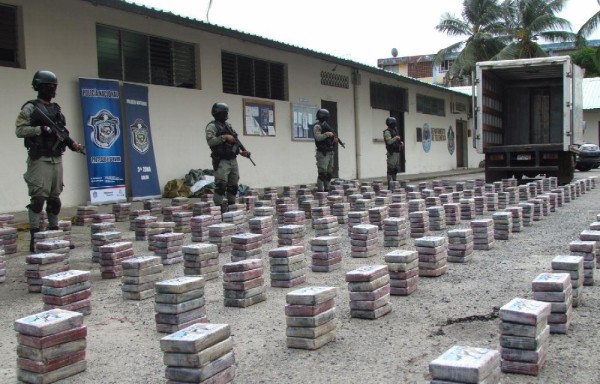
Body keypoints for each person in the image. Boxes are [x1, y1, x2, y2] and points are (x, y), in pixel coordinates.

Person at [15, 70, 84, 252]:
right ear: (38, 87)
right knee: (38, 200)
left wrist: (73, 144)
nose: (51, 90)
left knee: (55, 200)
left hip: (56, 159)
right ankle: (35, 240)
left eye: (53, 87)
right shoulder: (30, 108)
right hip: (39, 159)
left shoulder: (57, 110)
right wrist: (40, 130)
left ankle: (54, 237)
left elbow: (62, 132)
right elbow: (20, 131)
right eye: (47, 86)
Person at [205, 102, 251, 213]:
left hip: (232, 159)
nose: (226, 115)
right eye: (225, 113)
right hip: (221, 160)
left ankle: (231, 208)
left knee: (233, 185)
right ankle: (218, 210)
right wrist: (224, 137)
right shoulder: (212, 126)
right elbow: (211, 141)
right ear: (219, 113)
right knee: (221, 185)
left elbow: (235, 140)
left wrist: (242, 151)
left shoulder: (228, 126)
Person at [313, 108, 338, 192]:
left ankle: (327, 190)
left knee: (329, 174)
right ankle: (320, 191)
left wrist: (334, 140)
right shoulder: (317, 126)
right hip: (322, 153)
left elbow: (330, 140)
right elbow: (318, 137)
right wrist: (327, 134)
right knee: (322, 174)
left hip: (330, 152)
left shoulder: (327, 126)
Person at [383, 117, 404, 187]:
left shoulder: (394, 130)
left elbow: (397, 140)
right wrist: (396, 138)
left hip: (396, 152)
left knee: (395, 169)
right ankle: (390, 184)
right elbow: (389, 142)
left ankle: (394, 183)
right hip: (391, 153)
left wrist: (400, 143)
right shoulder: (387, 132)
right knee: (390, 169)